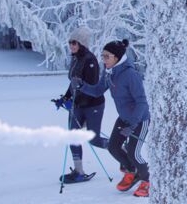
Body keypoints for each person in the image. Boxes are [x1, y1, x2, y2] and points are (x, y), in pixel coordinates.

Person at [75, 39, 151, 198]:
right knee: (113, 147)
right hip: (124, 118)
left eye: (106, 57)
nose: (103, 59)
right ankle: (132, 171)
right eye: (102, 56)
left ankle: (147, 180)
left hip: (139, 119)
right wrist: (81, 85)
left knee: (133, 152)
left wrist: (133, 123)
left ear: (117, 58)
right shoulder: (110, 73)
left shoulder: (130, 75)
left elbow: (142, 102)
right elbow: (97, 91)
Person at [53, 26, 107, 184]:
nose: (71, 45)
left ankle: (121, 150)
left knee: (94, 139)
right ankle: (79, 172)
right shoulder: (75, 58)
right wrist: (65, 98)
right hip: (78, 105)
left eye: (74, 42)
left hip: (93, 105)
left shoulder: (90, 61)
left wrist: (74, 101)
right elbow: (74, 84)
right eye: (69, 42)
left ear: (82, 43)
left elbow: (92, 89)